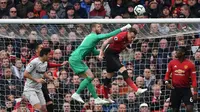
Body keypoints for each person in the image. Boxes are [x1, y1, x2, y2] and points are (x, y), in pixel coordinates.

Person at [69, 23, 131, 104]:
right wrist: (124, 28)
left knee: (88, 79)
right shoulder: (94, 36)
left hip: (75, 58)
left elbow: (95, 52)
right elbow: (109, 35)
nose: (100, 28)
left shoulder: (90, 38)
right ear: (93, 28)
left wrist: (108, 52)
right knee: (91, 76)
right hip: (76, 59)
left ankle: (96, 98)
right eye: (98, 27)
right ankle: (77, 93)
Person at [98, 28, 147, 103]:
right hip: (110, 54)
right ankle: (136, 89)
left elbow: (121, 45)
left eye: (134, 37)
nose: (132, 39)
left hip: (115, 55)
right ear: (128, 33)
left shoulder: (129, 40)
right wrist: (101, 53)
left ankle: (106, 97)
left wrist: (126, 49)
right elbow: (106, 41)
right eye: (132, 37)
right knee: (124, 70)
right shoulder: (120, 36)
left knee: (109, 77)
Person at [29, 43, 67, 112]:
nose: (42, 49)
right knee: (43, 104)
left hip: (41, 82)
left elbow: (48, 65)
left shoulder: (42, 58)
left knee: (49, 102)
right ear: (36, 50)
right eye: (41, 48)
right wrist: (49, 77)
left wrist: (60, 64)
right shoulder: (34, 59)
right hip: (34, 84)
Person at [165, 46, 197, 112]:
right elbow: (167, 75)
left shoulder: (190, 64)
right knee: (175, 109)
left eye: (177, 52)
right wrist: (166, 82)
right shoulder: (171, 63)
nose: (175, 53)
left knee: (190, 109)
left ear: (182, 53)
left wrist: (195, 93)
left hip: (186, 90)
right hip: (175, 89)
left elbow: (194, 79)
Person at [23, 48, 52, 112]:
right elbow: (25, 74)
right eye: (49, 55)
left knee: (44, 109)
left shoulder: (45, 63)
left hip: (38, 88)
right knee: (38, 108)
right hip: (30, 89)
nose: (50, 56)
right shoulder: (34, 62)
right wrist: (37, 80)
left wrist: (49, 77)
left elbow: (42, 72)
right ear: (44, 55)